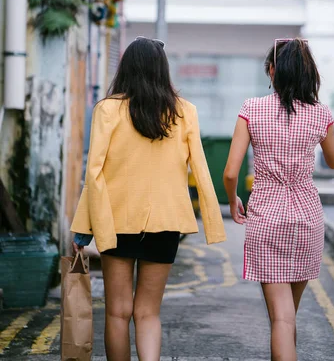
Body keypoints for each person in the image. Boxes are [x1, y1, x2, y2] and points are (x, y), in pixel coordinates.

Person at [71, 37, 226, 361]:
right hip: (167, 222)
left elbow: (94, 173)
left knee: (117, 311)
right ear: (162, 69)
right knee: (148, 312)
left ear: (126, 68)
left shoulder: (108, 110)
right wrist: (213, 222)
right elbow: (200, 166)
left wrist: (83, 230)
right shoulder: (185, 112)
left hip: (116, 221)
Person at [223, 38, 334, 361]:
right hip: (307, 219)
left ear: (273, 72)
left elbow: (231, 171)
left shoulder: (252, 109)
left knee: (281, 318)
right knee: (289, 316)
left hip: (266, 218)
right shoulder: (320, 114)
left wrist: (234, 199)